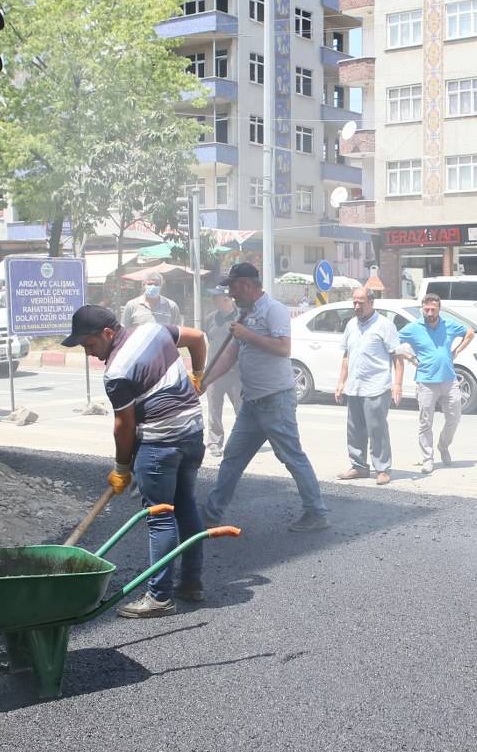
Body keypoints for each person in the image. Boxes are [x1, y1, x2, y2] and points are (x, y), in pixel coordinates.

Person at [61, 305, 208, 617]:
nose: (90, 353)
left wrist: (122, 468)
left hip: (160, 443)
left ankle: (159, 597)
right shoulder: (154, 330)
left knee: (160, 517)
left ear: (108, 333)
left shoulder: (116, 372)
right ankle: (192, 583)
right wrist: (197, 374)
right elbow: (197, 338)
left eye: (90, 345)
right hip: (193, 432)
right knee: (186, 506)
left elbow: (124, 426)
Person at [198, 263, 330, 533]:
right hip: (253, 402)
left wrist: (248, 334)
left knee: (292, 457)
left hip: (275, 400)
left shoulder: (274, 310)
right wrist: (205, 380)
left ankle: (316, 513)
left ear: (247, 285)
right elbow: (230, 354)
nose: (230, 293)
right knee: (233, 457)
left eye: (233, 287)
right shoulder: (245, 314)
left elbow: (284, 348)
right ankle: (211, 513)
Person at [396, 293, 473, 474]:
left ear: (439, 309)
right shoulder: (413, 328)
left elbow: (469, 333)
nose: (429, 312)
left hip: (449, 379)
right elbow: (393, 343)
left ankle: (443, 446)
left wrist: (456, 352)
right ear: (422, 308)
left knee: (454, 417)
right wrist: (410, 357)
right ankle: (427, 459)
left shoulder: (448, 324)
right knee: (425, 423)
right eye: (426, 309)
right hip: (426, 381)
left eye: (433, 309)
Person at [334, 287, 403, 485]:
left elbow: (397, 357)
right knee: (354, 429)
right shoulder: (351, 325)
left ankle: (382, 469)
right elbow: (347, 355)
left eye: (361, 303)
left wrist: (397, 384)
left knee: (377, 429)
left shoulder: (385, 325)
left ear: (371, 303)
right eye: (354, 302)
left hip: (376, 386)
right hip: (355, 386)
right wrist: (341, 382)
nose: (356, 306)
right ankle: (359, 466)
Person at [200, 286, 242, 457]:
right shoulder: (210, 319)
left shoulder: (241, 318)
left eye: (216, 297)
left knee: (241, 410)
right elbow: (207, 341)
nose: (213, 300)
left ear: (227, 298)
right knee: (214, 410)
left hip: (236, 373)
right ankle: (215, 443)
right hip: (214, 373)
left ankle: (240, 443)